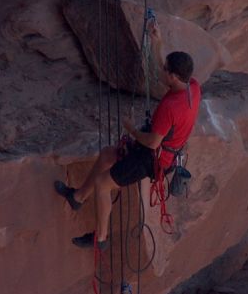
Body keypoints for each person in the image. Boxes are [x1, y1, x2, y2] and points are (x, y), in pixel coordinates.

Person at [54, 22, 201, 249]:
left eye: (165, 70)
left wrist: (131, 129)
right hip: (165, 153)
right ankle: (78, 198)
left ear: (173, 76)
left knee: (104, 185)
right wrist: (157, 41)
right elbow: (166, 70)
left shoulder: (170, 107)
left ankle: (100, 238)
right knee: (106, 156)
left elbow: (153, 142)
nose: (162, 71)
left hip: (152, 159)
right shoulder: (193, 87)